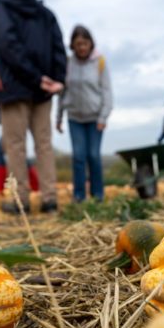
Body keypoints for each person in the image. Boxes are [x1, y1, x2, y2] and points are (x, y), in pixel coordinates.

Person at [0, 0, 66, 214]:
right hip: (44, 88)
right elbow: (59, 46)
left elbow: (7, 44)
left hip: (12, 87)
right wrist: (57, 80)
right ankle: (50, 199)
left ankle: (21, 201)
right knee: (44, 145)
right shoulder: (43, 11)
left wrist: (33, 77)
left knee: (15, 145)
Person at [56, 25, 113, 202]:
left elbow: (107, 92)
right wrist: (58, 118)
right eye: (78, 44)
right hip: (74, 118)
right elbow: (62, 92)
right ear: (73, 45)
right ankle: (79, 197)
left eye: (85, 43)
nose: (82, 47)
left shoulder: (99, 62)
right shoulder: (67, 63)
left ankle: (98, 196)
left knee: (93, 156)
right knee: (78, 157)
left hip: (95, 117)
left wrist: (103, 116)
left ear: (90, 44)